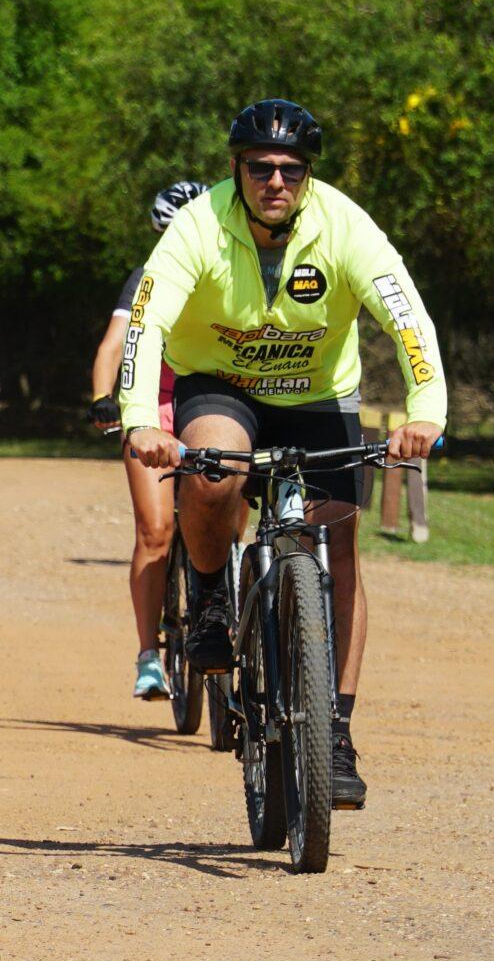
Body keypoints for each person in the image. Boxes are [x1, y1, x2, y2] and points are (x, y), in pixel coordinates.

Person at [121, 100, 446, 809]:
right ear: (236, 168)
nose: (276, 180)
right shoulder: (198, 224)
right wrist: (141, 417)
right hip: (221, 384)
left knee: (338, 541)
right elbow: (146, 322)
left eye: (291, 169)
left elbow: (406, 314)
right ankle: (208, 596)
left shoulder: (344, 224)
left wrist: (427, 411)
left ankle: (335, 731)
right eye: (260, 167)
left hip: (319, 394)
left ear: (308, 175)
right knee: (210, 475)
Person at [90, 179, 208, 698]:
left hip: (211, 404)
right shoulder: (144, 279)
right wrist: (103, 397)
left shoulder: (224, 276)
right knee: (156, 531)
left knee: (223, 521)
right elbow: (113, 345)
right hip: (152, 406)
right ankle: (148, 655)